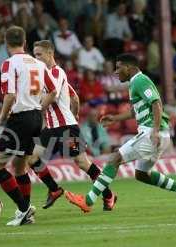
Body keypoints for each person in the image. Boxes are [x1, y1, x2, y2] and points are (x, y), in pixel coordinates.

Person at [65, 54, 176, 213]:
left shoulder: (140, 81)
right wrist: (115, 118)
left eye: (119, 67)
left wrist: (154, 131)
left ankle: (88, 201)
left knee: (114, 158)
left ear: (129, 67)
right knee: (142, 174)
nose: (115, 72)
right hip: (158, 134)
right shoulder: (134, 83)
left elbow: (156, 103)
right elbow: (135, 112)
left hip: (152, 133)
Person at [29, 40, 116, 210]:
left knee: (82, 162)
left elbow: (52, 96)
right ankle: (54, 189)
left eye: (39, 54)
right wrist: (75, 112)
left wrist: (34, 108)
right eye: (34, 54)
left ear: (50, 53)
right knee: (31, 157)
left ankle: (108, 194)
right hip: (52, 128)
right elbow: (74, 97)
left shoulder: (56, 72)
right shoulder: (45, 75)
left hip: (66, 128)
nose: (36, 58)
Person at [0, 26, 57, 226]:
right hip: (36, 118)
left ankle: (24, 209)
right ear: (25, 42)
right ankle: (26, 214)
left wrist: (1, 118)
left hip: (20, 119)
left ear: (6, 43)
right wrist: (38, 109)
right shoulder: (38, 63)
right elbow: (52, 91)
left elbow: (9, 94)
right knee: (19, 167)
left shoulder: (9, 64)